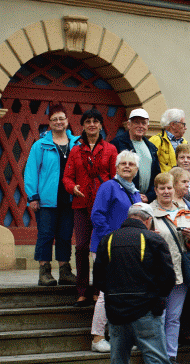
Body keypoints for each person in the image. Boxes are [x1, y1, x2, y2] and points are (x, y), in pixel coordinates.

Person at [93, 202, 177, 364]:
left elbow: (99, 280)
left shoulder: (108, 240)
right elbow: (168, 279)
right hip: (146, 313)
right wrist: (157, 301)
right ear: (148, 220)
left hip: (117, 315)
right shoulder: (153, 239)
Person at [63, 109, 117, 306]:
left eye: (95, 121)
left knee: (102, 247)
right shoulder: (76, 150)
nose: (92, 125)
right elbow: (67, 177)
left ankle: (99, 289)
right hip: (81, 203)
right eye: (88, 121)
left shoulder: (110, 149)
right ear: (83, 126)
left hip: (104, 207)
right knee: (82, 247)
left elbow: (114, 177)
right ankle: (82, 290)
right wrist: (72, 187)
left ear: (101, 125)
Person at [89, 150, 142, 353]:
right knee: (106, 293)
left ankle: (119, 336)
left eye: (131, 164)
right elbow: (97, 215)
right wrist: (110, 241)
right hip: (107, 247)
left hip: (127, 250)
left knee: (122, 293)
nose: (127, 166)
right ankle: (97, 337)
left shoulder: (134, 192)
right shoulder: (109, 187)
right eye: (123, 164)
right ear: (117, 167)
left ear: (136, 169)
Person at [24, 104, 78, 287]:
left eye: (61, 118)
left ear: (67, 121)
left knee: (65, 236)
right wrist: (33, 196)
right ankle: (44, 272)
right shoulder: (40, 145)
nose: (58, 122)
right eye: (54, 119)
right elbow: (31, 171)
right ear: (49, 123)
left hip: (69, 198)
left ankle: (65, 271)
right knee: (45, 235)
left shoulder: (76, 144)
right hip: (46, 199)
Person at [150, 173, 190, 364]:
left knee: (173, 317)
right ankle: (156, 358)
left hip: (180, 272)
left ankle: (171, 356)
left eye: (169, 187)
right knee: (158, 317)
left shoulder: (184, 211)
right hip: (159, 273)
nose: (166, 191)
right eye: (162, 188)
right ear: (156, 190)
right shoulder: (148, 213)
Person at [110, 108, 161, 203]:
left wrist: (149, 196)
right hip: (123, 198)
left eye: (143, 123)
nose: (140, 126)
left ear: (148, 126)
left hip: (146, 201)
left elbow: (157, 175)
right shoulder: (117, 143)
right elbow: (112, 172)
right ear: (129, 125)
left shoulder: (152, 147)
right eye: (136, 122)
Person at [149, 108, 188, 173]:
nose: (185, 128)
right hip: (164, 182)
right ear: (173, 125)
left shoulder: (184, 142)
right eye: (183, 124)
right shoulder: (156, 141)